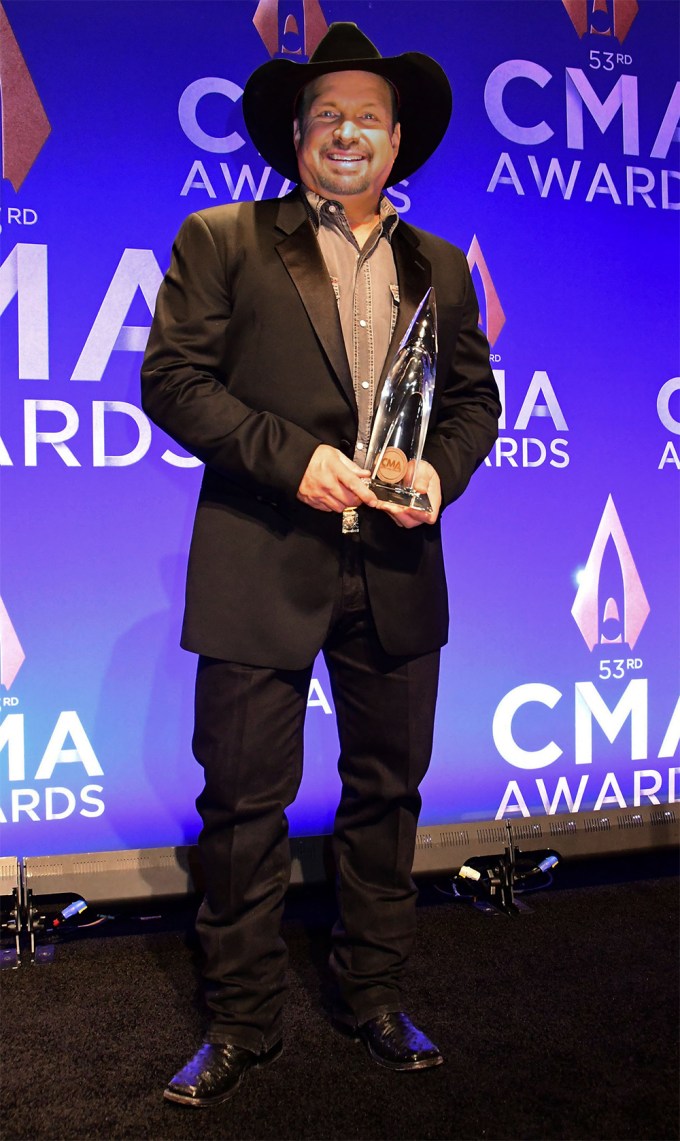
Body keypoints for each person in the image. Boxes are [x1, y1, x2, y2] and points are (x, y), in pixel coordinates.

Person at [141, 22, 500, 1108]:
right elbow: (174, 380)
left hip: (397, 568)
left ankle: (374, 996)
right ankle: (244, 1021)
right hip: (263, 557)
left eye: (368, 118)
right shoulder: (223, 237)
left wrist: (437, 473)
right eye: (327, 116)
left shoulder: (438, 263)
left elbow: (474, 400)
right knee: (244, 807)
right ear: (298, 136)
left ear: (397, 143)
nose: (348, 132)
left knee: (385, 797)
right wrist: (292, 461)